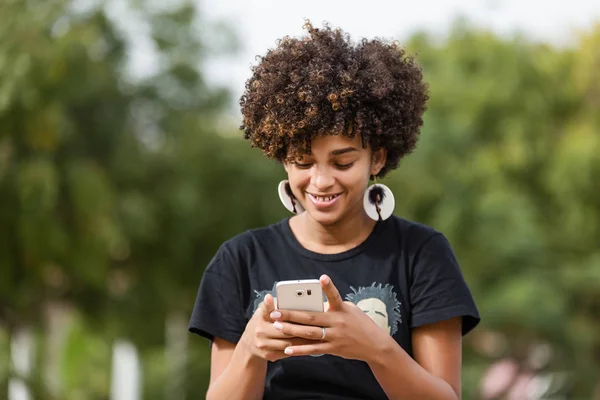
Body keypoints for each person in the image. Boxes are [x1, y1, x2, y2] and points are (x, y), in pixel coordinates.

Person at [189, 20, 480, 400]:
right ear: (284, 161)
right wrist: (251, 348)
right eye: (303, 162)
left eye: (342, 163)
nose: (321, 181)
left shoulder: (421, 254)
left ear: (377, 158)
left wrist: (373, 346)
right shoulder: (239, 260)